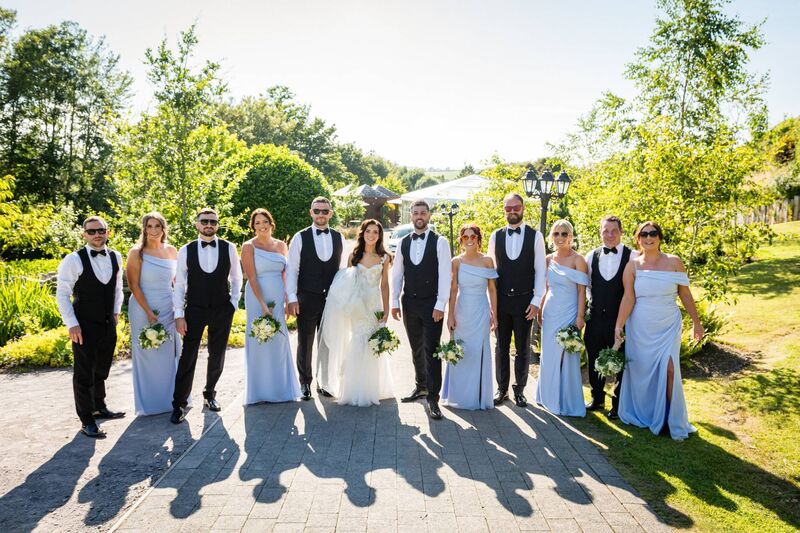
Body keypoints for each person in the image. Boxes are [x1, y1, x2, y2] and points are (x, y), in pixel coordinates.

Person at [615, 221, 703, 440]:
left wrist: (696, 322)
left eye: (653, 233)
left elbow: (685, 294)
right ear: (638, 239)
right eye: (644, 234)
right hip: (640, 326)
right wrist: (619, 325)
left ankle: (672, 419)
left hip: (668, 324)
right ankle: (650, 414)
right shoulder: (633, 266)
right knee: (643, 371)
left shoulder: (674, 262)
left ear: (660, 237)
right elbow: (628, 298)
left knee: (670, 369)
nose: (648, 238)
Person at [170, 208, 243, 424]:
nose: (209, 225)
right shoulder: (186, 249)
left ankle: (210, 394)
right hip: (195, 308)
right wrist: (179, 314)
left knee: (217, 354)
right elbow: (179, 284)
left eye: (213, 221)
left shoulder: (229, 248)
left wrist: (233, 303)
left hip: (222, 308)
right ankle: (179, 403)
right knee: (188, 355)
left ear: (217, 224)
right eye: (204, 221)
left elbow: (237, 278)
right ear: (197, 224)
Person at [55, 216, 125, 438]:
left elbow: (117, 289)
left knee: (102, 368)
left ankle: (99, 407)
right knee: (84, 373)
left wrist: (116, 311)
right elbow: (62, 294)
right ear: (84, 234)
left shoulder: (116, 256)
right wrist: (72, 324)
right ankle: (87, 420)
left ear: (108, 232)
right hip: (83, 324)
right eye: (92, 231)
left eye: (101, 230)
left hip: (107, 322)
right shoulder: (73, 260)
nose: (97, 235)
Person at [317, 219, 395, 406]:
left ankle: (372, 388)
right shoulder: (354, 256)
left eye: (375, 232)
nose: (371, 235)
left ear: (379, 235)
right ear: (363, 233)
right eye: (368, 231)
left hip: (374, 305)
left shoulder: (384, 258)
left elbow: (384, 285)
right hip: (357, 306)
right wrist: (346, 305)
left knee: (373, 343)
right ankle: (354, 388)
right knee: (358, 341)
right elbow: (347, 282)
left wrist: (386, 310)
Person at [390, 200, 452, 420]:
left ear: (429, 215)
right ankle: (421, 387)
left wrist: (440, 304)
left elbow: (445, 274)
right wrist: (394, 301)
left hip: (431, 303)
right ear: (411, 216)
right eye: (415, 213)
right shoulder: (403, 242)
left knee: (432, 349)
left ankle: (433, 398)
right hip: (409, 302)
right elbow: (397, 273)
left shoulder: (440, 241)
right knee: (416, 347)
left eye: (423, 213)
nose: (419, 216)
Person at [487, 193, 546, 407]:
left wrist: (536, 300)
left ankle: (520, 390)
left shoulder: (535, 236)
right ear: (504, 210)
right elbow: (491, 272)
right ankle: (501, 389)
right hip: (501, 301)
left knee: (522, 348)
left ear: (523, 208)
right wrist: (491, 305)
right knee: (501, 347)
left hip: (525, 302)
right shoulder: (496, 236)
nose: (512, 211)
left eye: (516, 207)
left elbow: (541, 270)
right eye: (508, 208)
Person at [286, 197, 345, 400]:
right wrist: (292, 297)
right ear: (311, 212)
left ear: (331, 213)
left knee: (327, 341)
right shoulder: (300, 237)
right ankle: (305, 382)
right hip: (307, 297)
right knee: (305, 341)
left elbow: (342, 270)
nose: (321, 214)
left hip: (331, 299)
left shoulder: (339, 237)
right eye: (317, 211)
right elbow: (292, 270)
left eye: (324, 211)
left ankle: (324, 382)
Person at [241, 209, 301, 404]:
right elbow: (251, 277)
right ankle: (259, 392)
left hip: (278, 296)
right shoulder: (248, 247)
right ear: (253, 226)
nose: (262, 226)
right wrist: (263, 305)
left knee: (279, 340)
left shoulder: (281, 245)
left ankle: (281, 389)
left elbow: (286, 275)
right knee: (259, 338)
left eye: (265, 221)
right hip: (257, 297)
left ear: (271, 223)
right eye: (257, 223)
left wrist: (287, 300)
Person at [126, 212, 181, 416]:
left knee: (168, 353)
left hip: (168, 307)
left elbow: (177, 282)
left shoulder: (172, 251)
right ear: (144, 229)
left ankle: (172, 399)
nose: (154, 230)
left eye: (157, 226)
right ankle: (150, 403)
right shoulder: (137, 253)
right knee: (147, 351)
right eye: (149, 226)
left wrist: (179, 308)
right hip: (143, 308)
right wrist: (148, 311)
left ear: (163, 228)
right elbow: (133, 285)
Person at [535, 220, 589, 417]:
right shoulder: (548, 259)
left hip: (569, 313)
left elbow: (582, 291)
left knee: (567, 355)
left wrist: (580, 316)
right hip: (550, 312)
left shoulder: (578, 260)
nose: (560, 237)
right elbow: (544, 287)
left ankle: (567, 400)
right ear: (552, 237)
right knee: (549, 355)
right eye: (556, 234)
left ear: (570, 236)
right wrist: (539, 310)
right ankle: (547, 396)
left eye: (564, 234)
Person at [584, 215, 636, 419]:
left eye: (614, 230)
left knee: (620, 361)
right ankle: (597, 398)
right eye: (606, 230)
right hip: (596, 318)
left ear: (621, 232)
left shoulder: (632, 257)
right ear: (600, 232)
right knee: (594, 358)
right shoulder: (591, 256)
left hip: (621, 320)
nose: (610, 234)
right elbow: (587, 285)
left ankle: (617, 404)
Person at [442, 224, 497, 410]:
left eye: (473, 236)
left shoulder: (488, 261)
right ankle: (458, 395)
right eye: (465, 237)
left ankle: (478, 396)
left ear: (479, 239)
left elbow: (492, 289)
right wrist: (450, 315)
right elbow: (453, 290)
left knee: (478, 351)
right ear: (461, 240)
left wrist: (495, 315)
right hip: (462, 311)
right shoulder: (456, 262)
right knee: (461, 350)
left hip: (481, 311)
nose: (470, 240)